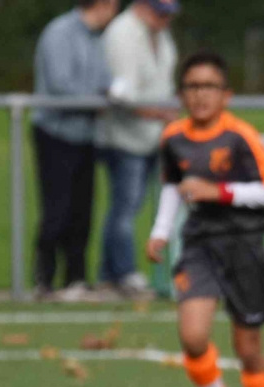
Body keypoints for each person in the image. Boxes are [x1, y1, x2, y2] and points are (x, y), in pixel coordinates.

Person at [145, 52, 264, 387]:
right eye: (192, 86)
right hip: (199, 244)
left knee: (247, 347)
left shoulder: (241, 137)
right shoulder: (173, 137)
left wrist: (219, 192)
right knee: (192, 336)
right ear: (181, 94)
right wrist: (160, 231)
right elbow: (173, 187)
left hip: (243, 245)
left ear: (226, 95)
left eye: (209, 86)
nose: (200, 95)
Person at [30, 0, 119, 302]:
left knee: (83, 210)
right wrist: (99, 99)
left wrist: (111, 93)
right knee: (57, 209)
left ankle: (76, 279)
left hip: (86, 136)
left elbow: (105, 81)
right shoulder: (59, 32)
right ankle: (44, 280)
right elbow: (60, 85)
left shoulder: (98, 38)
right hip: (55, 134)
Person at [96, 0, 180, 296]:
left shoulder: (161, 34)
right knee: (125, 207)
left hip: (153, 136)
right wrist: (158, 114)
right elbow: (122, 93)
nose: (166, 18)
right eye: (160, 12)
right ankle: (123, 272)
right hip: (124, 138)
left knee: (133, 205)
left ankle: (109, 275)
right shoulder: (122, 33)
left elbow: (163, 82)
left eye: (169, 13)